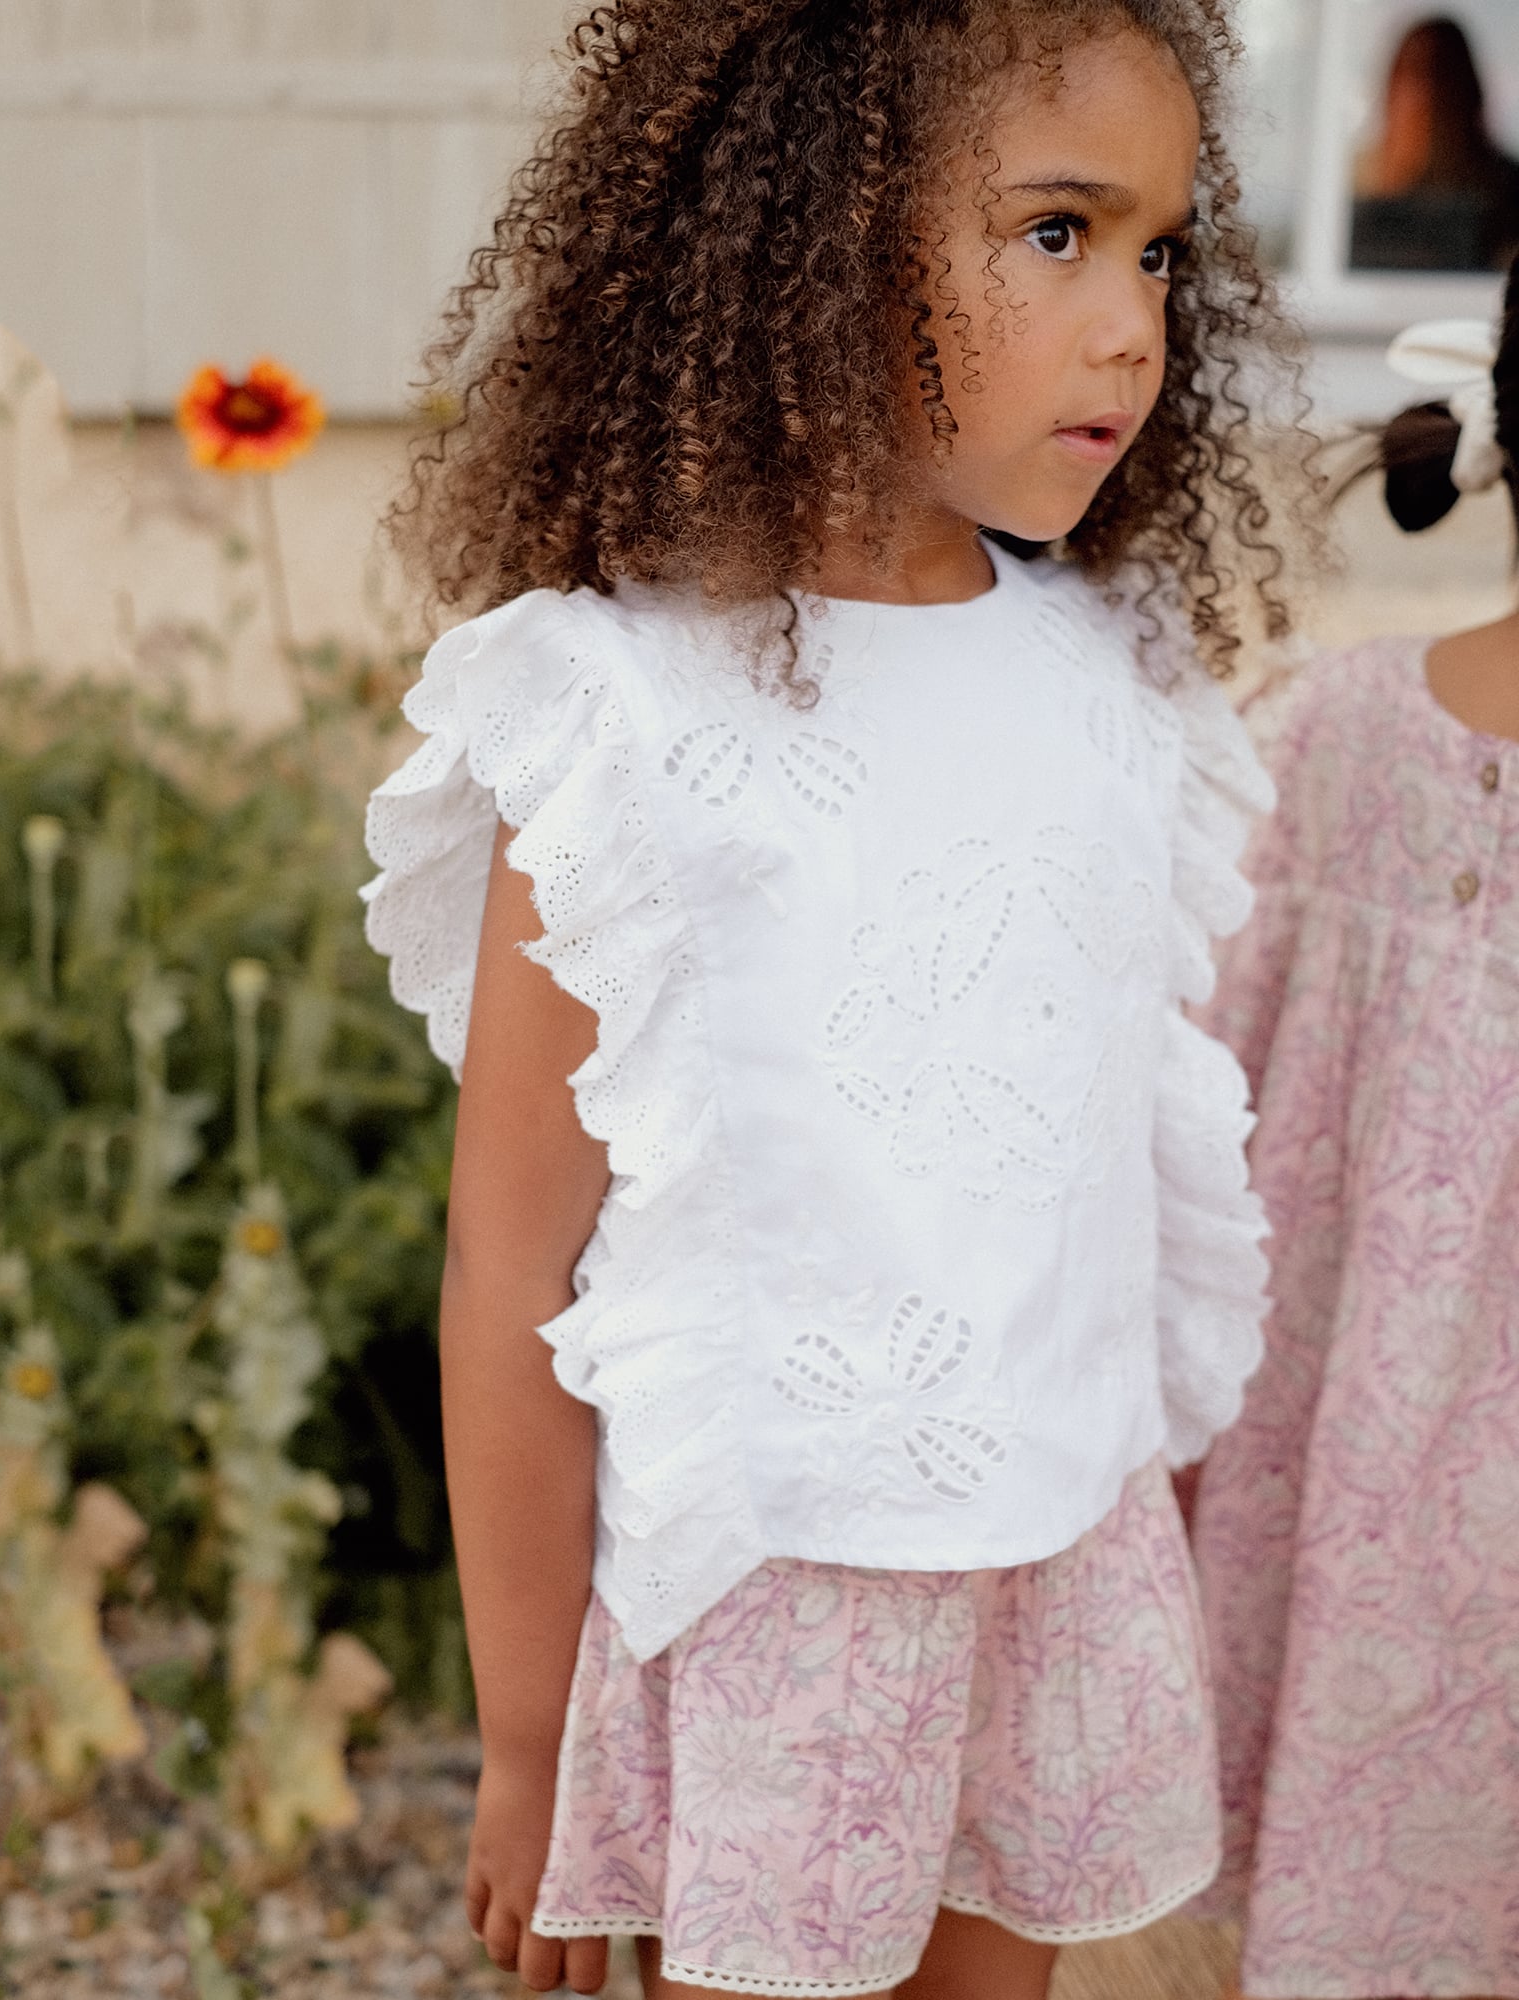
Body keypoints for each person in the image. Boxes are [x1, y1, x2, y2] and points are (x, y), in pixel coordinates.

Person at [364, 4, 1305, 1995]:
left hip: (1042, 1565)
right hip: (772, 1603)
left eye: (1155, 249)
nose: (1131, 323)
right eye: (1057, 232)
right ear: (822, 231)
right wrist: (529, 1733)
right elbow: (510, 1257)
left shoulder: (1112, 687)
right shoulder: (622, 710)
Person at [1190, 271, 1519, 2000]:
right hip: (1394, 1557)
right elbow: (1203, 1114)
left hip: (1378, 1553)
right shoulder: (1343, 746)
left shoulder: (1341, 734)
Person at [1350, 16, 1519, 272]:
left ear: (1466, 89)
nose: (1426, 93)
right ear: (1392, 86)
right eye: (1413, 72)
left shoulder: (1506, 186)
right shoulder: (1355, 179)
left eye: (1442, 74)